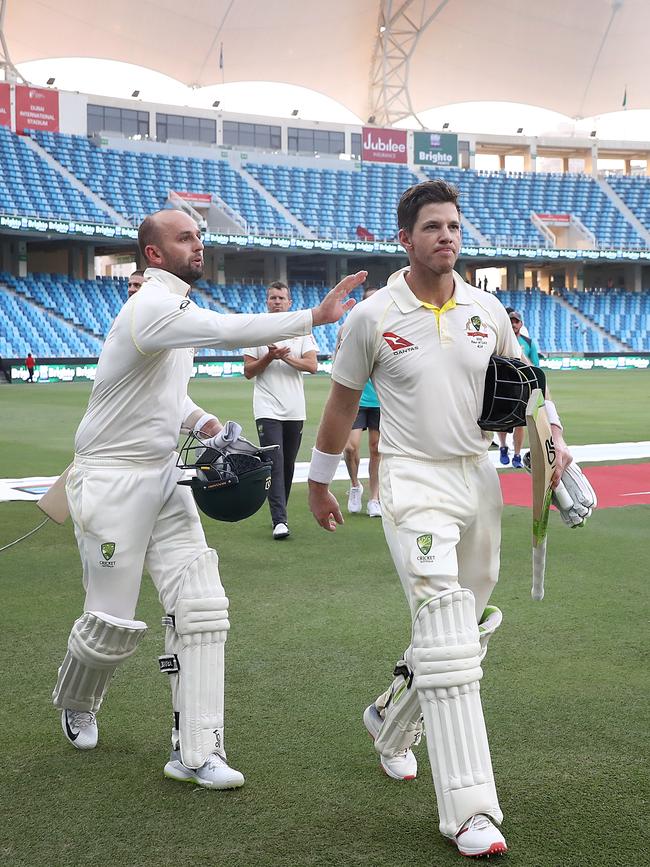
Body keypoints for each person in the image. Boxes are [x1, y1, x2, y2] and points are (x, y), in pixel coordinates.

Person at [52, 208, 366, 790]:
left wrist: (206, 424)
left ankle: (196, 750)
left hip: (164, 474)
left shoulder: (173, 308)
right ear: (153, 254)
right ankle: (77, 698)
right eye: (184, 238)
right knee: (111, 625)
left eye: (199, 235)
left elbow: (166, 396)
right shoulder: (150, 307)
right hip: (110, 479)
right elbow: (225, 332)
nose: (198, 245)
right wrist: (314, 316)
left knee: (201, 606)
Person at [307, 180, 571, 858]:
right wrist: (319, 480)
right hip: (412, 478)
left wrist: (553, 437)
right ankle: (470, 811)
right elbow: (340, 405)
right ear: (406, 239)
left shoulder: (487, 308)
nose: (446, 236)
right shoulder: (371, 316)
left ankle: (390, 718)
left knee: (467, 617)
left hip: (478, 476)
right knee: (450, 631)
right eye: (432, 226)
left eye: (453, 225)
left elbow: (526, 383)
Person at [242, 282, 318, 540]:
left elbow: (312, 365)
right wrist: (269, 357)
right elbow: (248, 372)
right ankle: (280, 519)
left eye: (281, 298)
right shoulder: (258, 331)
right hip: (267, 407)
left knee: (287, 464)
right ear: (267, 301)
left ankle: (279, 509)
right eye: (272, 297)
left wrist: (284, 357)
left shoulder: (301, 331)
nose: (276, 301)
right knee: (274, 462)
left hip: (295, 409)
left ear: (289, 302)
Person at [343, 287, 382, 517]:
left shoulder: (390, 331)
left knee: (377, 449)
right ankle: (355, 485)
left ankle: (374, 498)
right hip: (357, 399)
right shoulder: (348, 330)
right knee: (350, 448)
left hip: (380, 401)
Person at [498, 309, 541, 468]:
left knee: (520, 423)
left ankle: (517, 455)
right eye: (511, 321)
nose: (513, 324)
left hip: (521, 386)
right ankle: (503, 446)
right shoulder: (501, 340)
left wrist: (522, 355)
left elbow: (535, 366)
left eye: (516, 321)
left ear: (521, 324)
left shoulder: (528, 343)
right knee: (501, 419)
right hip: (503, 383)